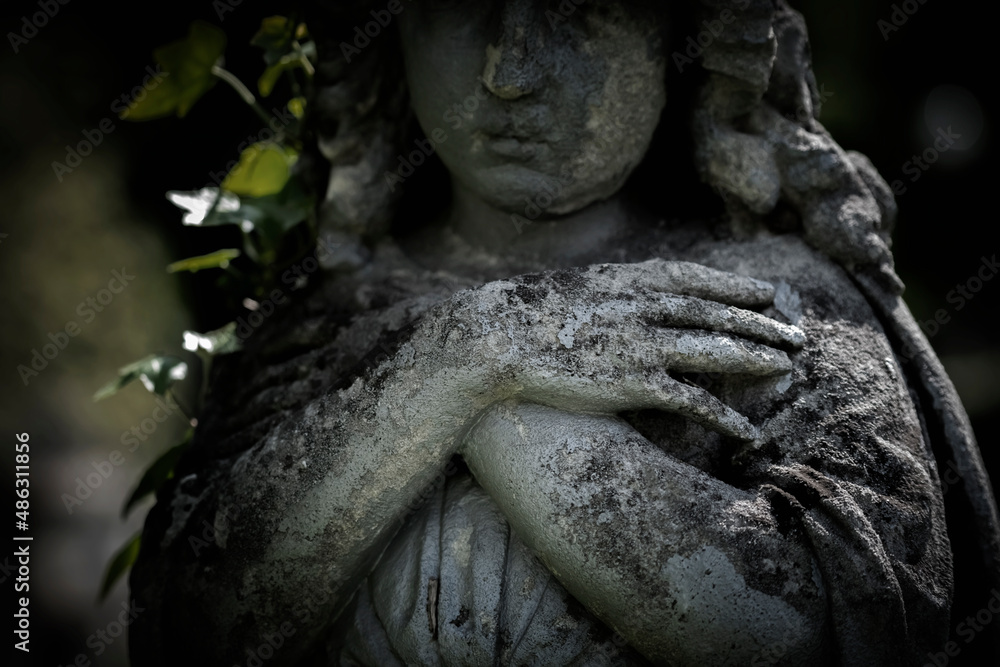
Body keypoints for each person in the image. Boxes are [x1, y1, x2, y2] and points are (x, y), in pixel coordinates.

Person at [130, 1, 1000, 665]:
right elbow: (189, 623)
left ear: (679, 39)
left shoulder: (785, 300)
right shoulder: (322, 313)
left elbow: (853, 617)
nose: (510, 71)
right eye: (464, 8)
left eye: (579, 10)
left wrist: (493, 409)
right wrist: (470, 352)